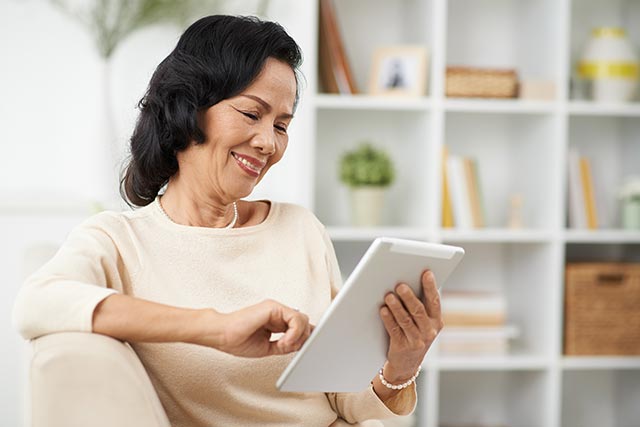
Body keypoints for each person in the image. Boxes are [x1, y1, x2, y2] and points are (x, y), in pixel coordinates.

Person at [12, 15, 443, 426]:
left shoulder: (301, 230)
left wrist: (400, 367)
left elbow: (342, 398)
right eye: (252, 114)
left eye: (282, 124)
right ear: (188, 106)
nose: (267, 143)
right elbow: (38, 302)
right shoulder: (119, 240)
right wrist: (215, 327)